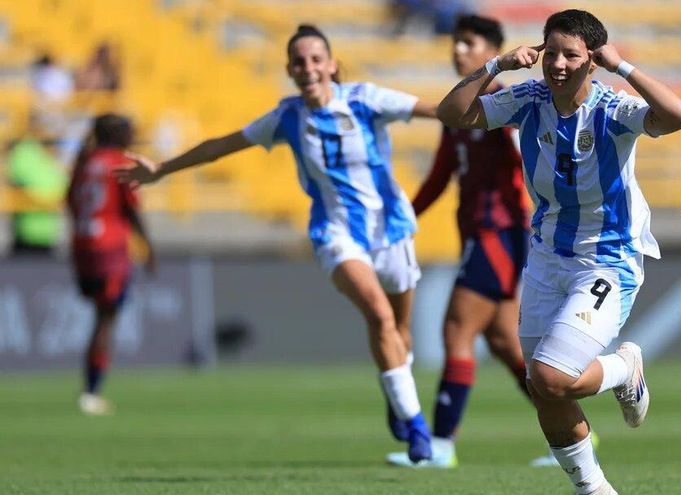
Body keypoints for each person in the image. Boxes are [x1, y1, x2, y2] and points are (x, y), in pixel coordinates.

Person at [115, 25, 437, 463]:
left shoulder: (365, 99)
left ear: (332, 64)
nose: (308, 68)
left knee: (399, 330)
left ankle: (396, 392)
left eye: (316, 59)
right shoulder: (287, 118)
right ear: (289, 70)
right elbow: (221, 146)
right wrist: (162, 170)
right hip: (336, 234)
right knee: (380, 317)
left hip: (392, 228)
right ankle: (417, 429)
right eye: (299, 62)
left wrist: (495, 103)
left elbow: (439, 111)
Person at [437, 9, 681, 494]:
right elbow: (453, 114)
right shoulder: (528, 99)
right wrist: (494, 66)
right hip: (548, 257)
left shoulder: (612, 108)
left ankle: (622, 369)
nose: (556, 64)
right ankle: (594, 489)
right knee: (542, 387)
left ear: (590, 61)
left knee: (553, 377)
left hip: (607, 260)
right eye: (550, 52)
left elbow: (679, 115)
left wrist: (625, 68)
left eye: (570, 55)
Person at [386, 14, 558, 469]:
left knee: (456, 329)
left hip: (500, 232)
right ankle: (573, 428)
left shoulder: (506, 105)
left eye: (468, 43)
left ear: (492, 51)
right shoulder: (458, 110)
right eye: (455, 43)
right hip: (477, 233)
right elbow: (442, 174)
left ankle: (440, 444)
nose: (458, 50)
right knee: (504, 342)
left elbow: (532, 160)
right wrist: (403, 217)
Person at [67, 114, 155, 416]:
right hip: (110, 250)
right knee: (106, 319)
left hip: (82, 247)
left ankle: (91, 389)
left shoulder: (83, 161)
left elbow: (70, 201)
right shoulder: (119, 162)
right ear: (117, 134)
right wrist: (149, 247)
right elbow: (131, 209)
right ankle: (91, 392)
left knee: (100, 316)